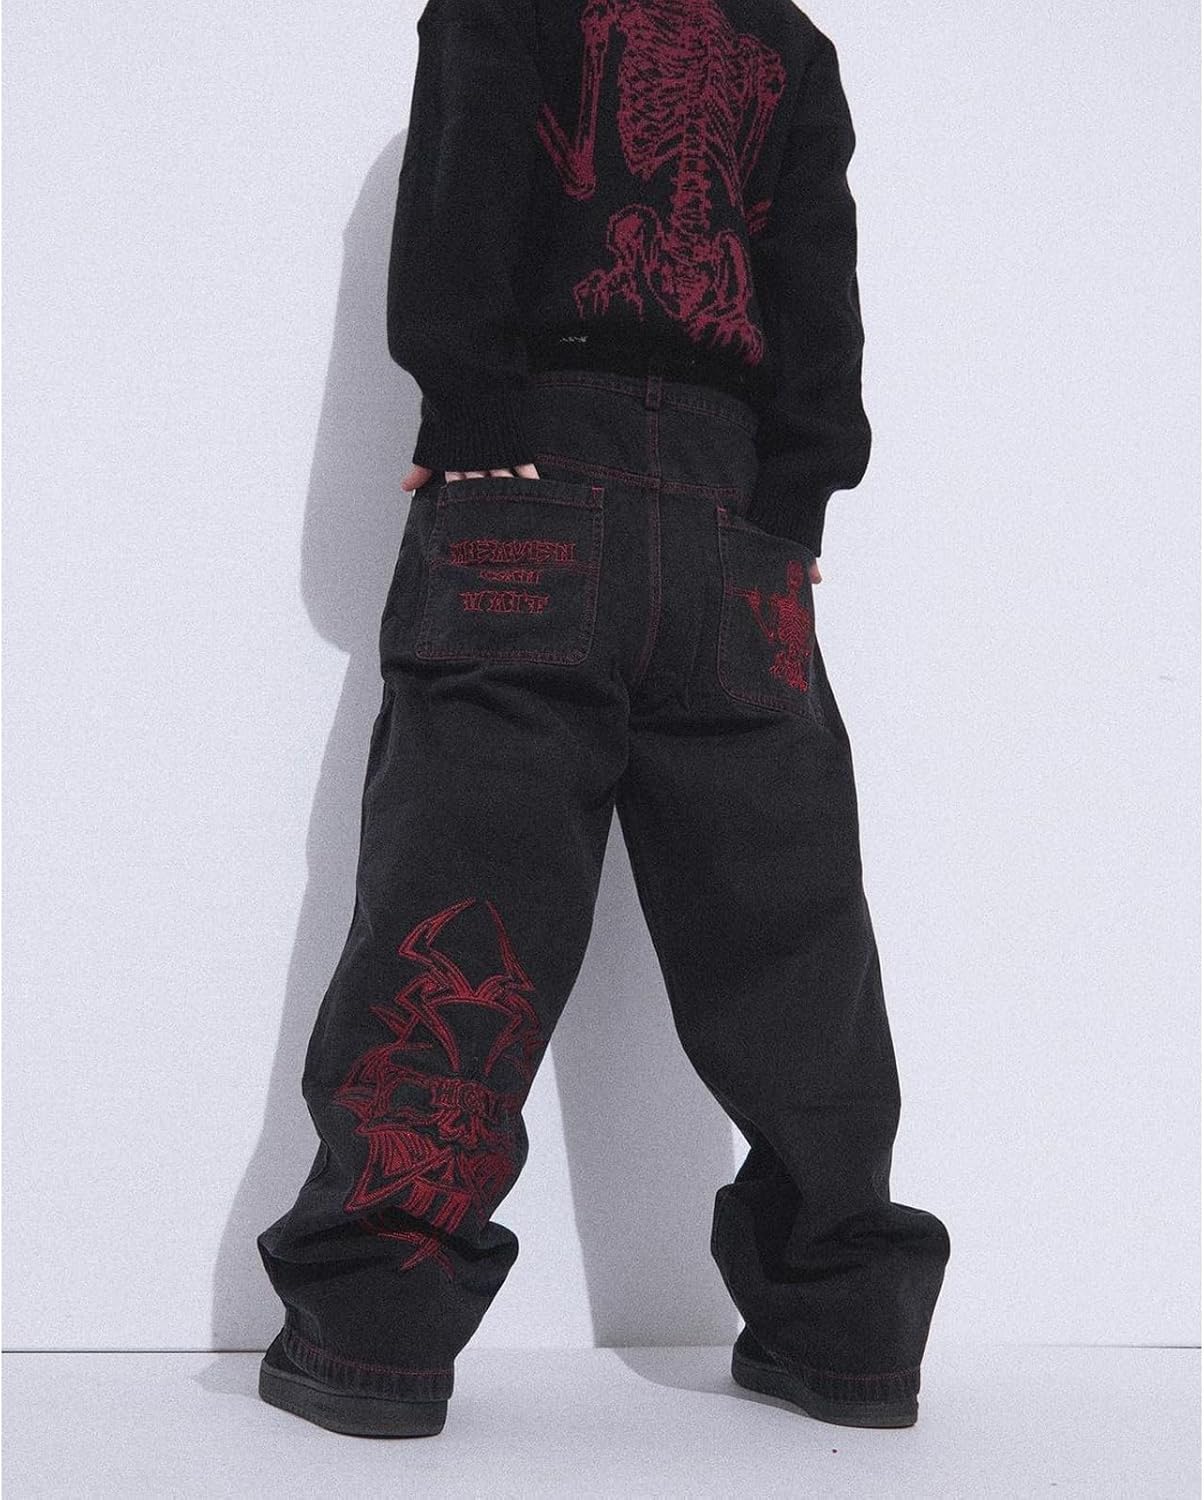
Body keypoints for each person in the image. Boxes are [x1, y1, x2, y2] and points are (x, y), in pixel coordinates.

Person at [255, 0, 951, 1438]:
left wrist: (475, 425)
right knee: (793, 942)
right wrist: (791, 505)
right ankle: (846, 1331)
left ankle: (375, 1336)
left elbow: (460, 212)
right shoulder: (786, 40)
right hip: (736, 524)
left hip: (531, 490)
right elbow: (817, 290)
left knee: (460, 916)